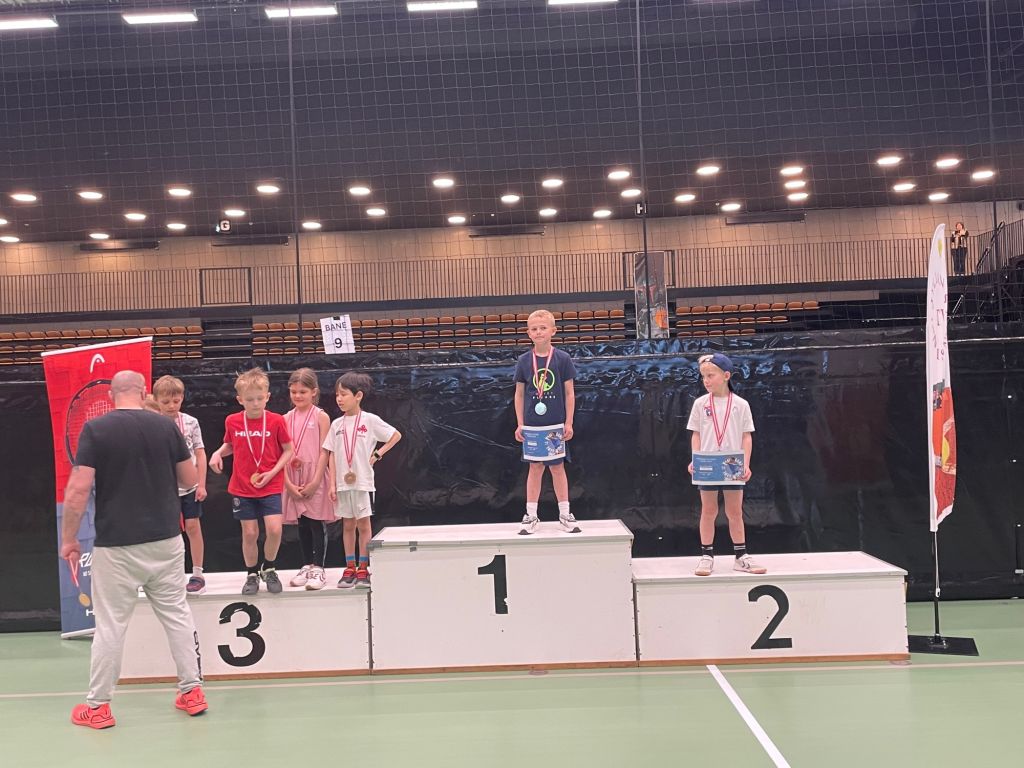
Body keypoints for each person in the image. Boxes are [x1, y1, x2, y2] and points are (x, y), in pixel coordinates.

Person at [59, 370, 207, 729]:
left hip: (117, 547)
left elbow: (77, 491)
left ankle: (98, 707)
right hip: (166, 541)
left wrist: (69, 538)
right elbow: (190, 480)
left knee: (110, 625)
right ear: (143, 393)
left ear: (111, 396)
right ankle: (192, 692)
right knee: (177, 615)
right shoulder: (167, 427)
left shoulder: (96, 430)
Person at [209, 368, 293, 595]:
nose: (255, 403)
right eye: (249, 400)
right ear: (240, 400)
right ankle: (252, 574)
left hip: (270, 484)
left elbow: (288, 450)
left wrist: (272, 472)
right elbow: (230, 445)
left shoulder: (276, 421)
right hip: (242, 487)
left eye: (259, 398)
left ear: (267, 397)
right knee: (249, 533)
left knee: (274, 529)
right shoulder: (233, 421)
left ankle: (269, 567)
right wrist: (217, 453)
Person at [687, 353, 765, 576]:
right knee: (708, 510)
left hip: (732, 463)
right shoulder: (700, 404)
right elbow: (696, 434)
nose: (706, 380)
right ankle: (706, 556)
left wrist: (746, 464)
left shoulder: (740, 404)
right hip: (707, 463)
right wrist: (695, 458)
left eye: (710, 375)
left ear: (726, 376)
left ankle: (741, 556)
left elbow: (746, 436)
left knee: (734, 511)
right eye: (703, 377)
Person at [324, 372, 401, 588]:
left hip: (362, 482)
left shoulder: (370, 420)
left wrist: (378, 454)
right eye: (337, 395)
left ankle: (363, 568)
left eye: (344, 394)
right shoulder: (336, 424)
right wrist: (331, 484)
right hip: (342, 484)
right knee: (347, 524)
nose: (339, 399)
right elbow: (331, 454)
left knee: (363, 525)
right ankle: (350, 567)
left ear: (358, 396)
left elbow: (395, 435)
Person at [514, 309, 580, 535]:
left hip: (555, 424)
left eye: (543, 328)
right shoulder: (524, 361)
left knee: (557, 467)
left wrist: (568, 422)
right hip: (532, 425)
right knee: (535, 467)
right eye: (534, 329)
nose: (538, 332)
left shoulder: (562, 359)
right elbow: (519, 394)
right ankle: (531, 515)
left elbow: (569, 393)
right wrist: (520, 423)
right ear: (528, 333)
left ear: (553, 330)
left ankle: (565, 514)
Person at [153, 375, 208, 595]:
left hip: (190, 486)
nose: (171, 406)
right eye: (165, 402)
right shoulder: (153, 423)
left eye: (175, 401)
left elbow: (200, 453)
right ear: (156, 400)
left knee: (193, 527)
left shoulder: (191, 422)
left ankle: (197, 573)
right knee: (166, 531)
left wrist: (201, 484)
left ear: (182, 398)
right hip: (164, 489)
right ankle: (168, 575)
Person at [283, 368, 333, 591]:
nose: (297, 396)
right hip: (293, 476)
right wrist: (288, 484)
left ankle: (319, 568)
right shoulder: (285, 418)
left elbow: (325, 450)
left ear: (314, 392)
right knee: (302, 522)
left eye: (302, 391)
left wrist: (316, 481)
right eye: (293, 391)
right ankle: (306, 565)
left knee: (316, 521)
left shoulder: (321, 416)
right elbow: (281, 453)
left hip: (315, 475)